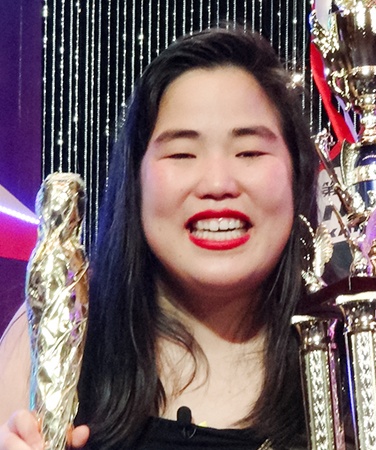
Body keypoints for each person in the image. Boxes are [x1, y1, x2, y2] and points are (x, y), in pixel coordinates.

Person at [0, 26, 318, 449]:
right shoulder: (56, 331)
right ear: (136, 182)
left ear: (297, 174)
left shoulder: (350, 349)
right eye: (182, 153)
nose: (218, 184)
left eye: (250, 152)